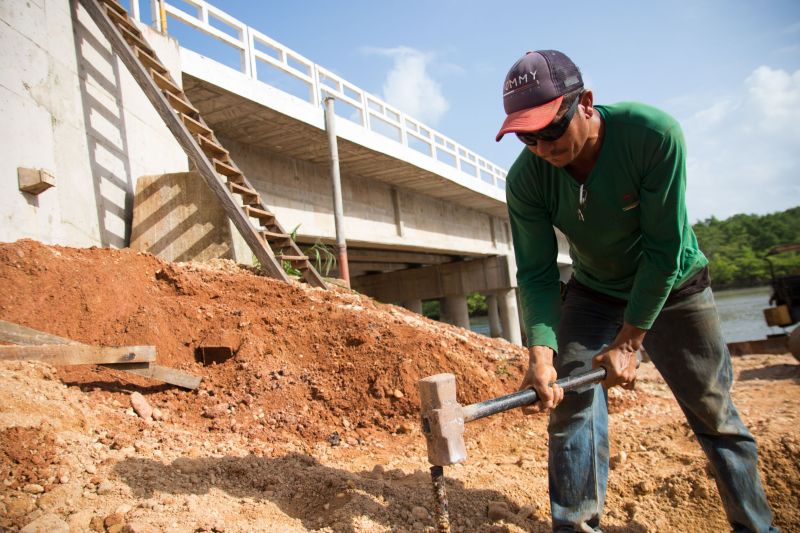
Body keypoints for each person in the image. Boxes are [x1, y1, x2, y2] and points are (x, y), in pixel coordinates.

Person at [496, 50, 778, 533]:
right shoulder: (526, 179)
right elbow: (539, 273)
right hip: (594, 290)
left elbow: (664, 248)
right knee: (571, 406)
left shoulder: (651, 135)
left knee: (713, 412)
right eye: (527, 136)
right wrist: (541, 353)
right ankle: (576, 526)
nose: (542, 148)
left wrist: (629, 342)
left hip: (676, 286)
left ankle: (757, 527)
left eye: (551, 130)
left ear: (585, 102)